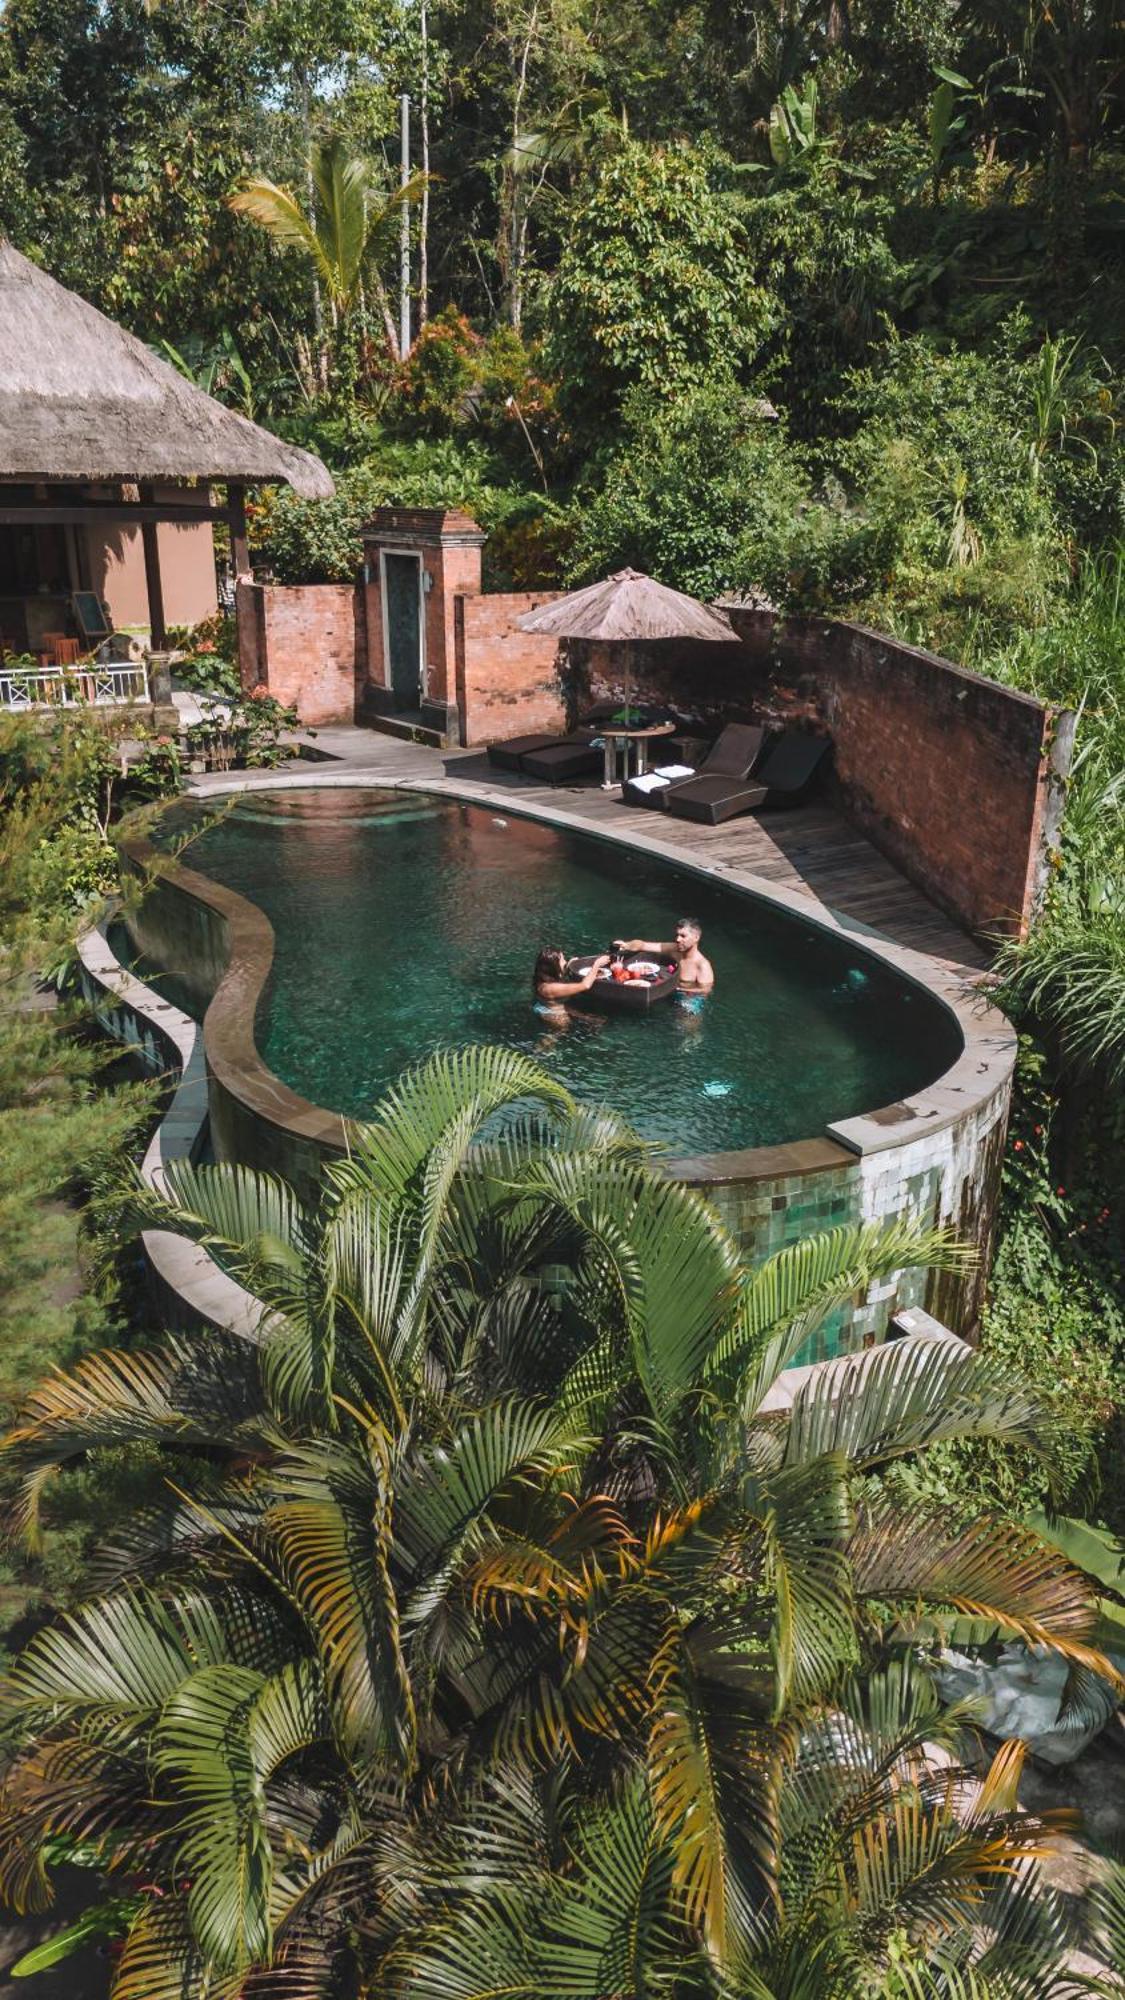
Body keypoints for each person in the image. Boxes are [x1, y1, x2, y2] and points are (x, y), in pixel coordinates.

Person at [613, 916, 714, 992]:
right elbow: (643, 945)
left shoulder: (703, 965)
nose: (677, 939)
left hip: (688, 999)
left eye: (683, 936)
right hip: (666, 991)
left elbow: (705, 990)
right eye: (677, 935)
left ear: (696, 938)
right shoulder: (673, 948)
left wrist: (676, 989)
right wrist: (626, 945)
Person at [533, 946, 611, 1003]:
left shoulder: (543, 978)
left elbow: (559, 978)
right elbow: (585, 985)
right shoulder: (549, 988)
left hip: (557, 1006)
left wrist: (568, 966)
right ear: (554, 966)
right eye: (562, 960)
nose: (565, 961)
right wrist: (597, 964)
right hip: (557, 1017)